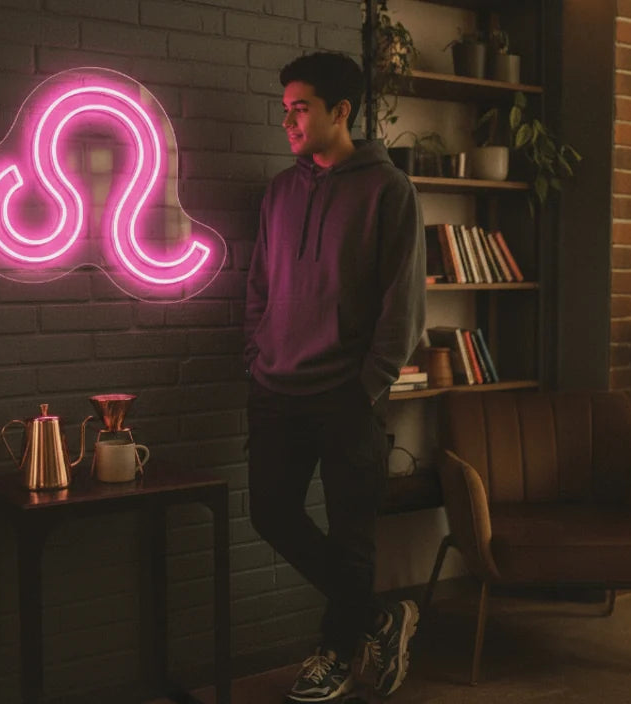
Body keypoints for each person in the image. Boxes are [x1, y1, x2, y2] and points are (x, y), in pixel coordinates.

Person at [244, 52, 426, 702]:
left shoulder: (388, 192)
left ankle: (335, 650)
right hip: (276, 390)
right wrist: (258, 358)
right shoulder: (278, 192)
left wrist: (364, 389)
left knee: (352, 538)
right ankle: (380, 616)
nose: (288, 120)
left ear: (340, 111)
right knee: (270, 512)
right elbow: (260, 288)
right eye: (286, 107)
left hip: (346, 395)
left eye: (301, 107)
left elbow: (402, 307)